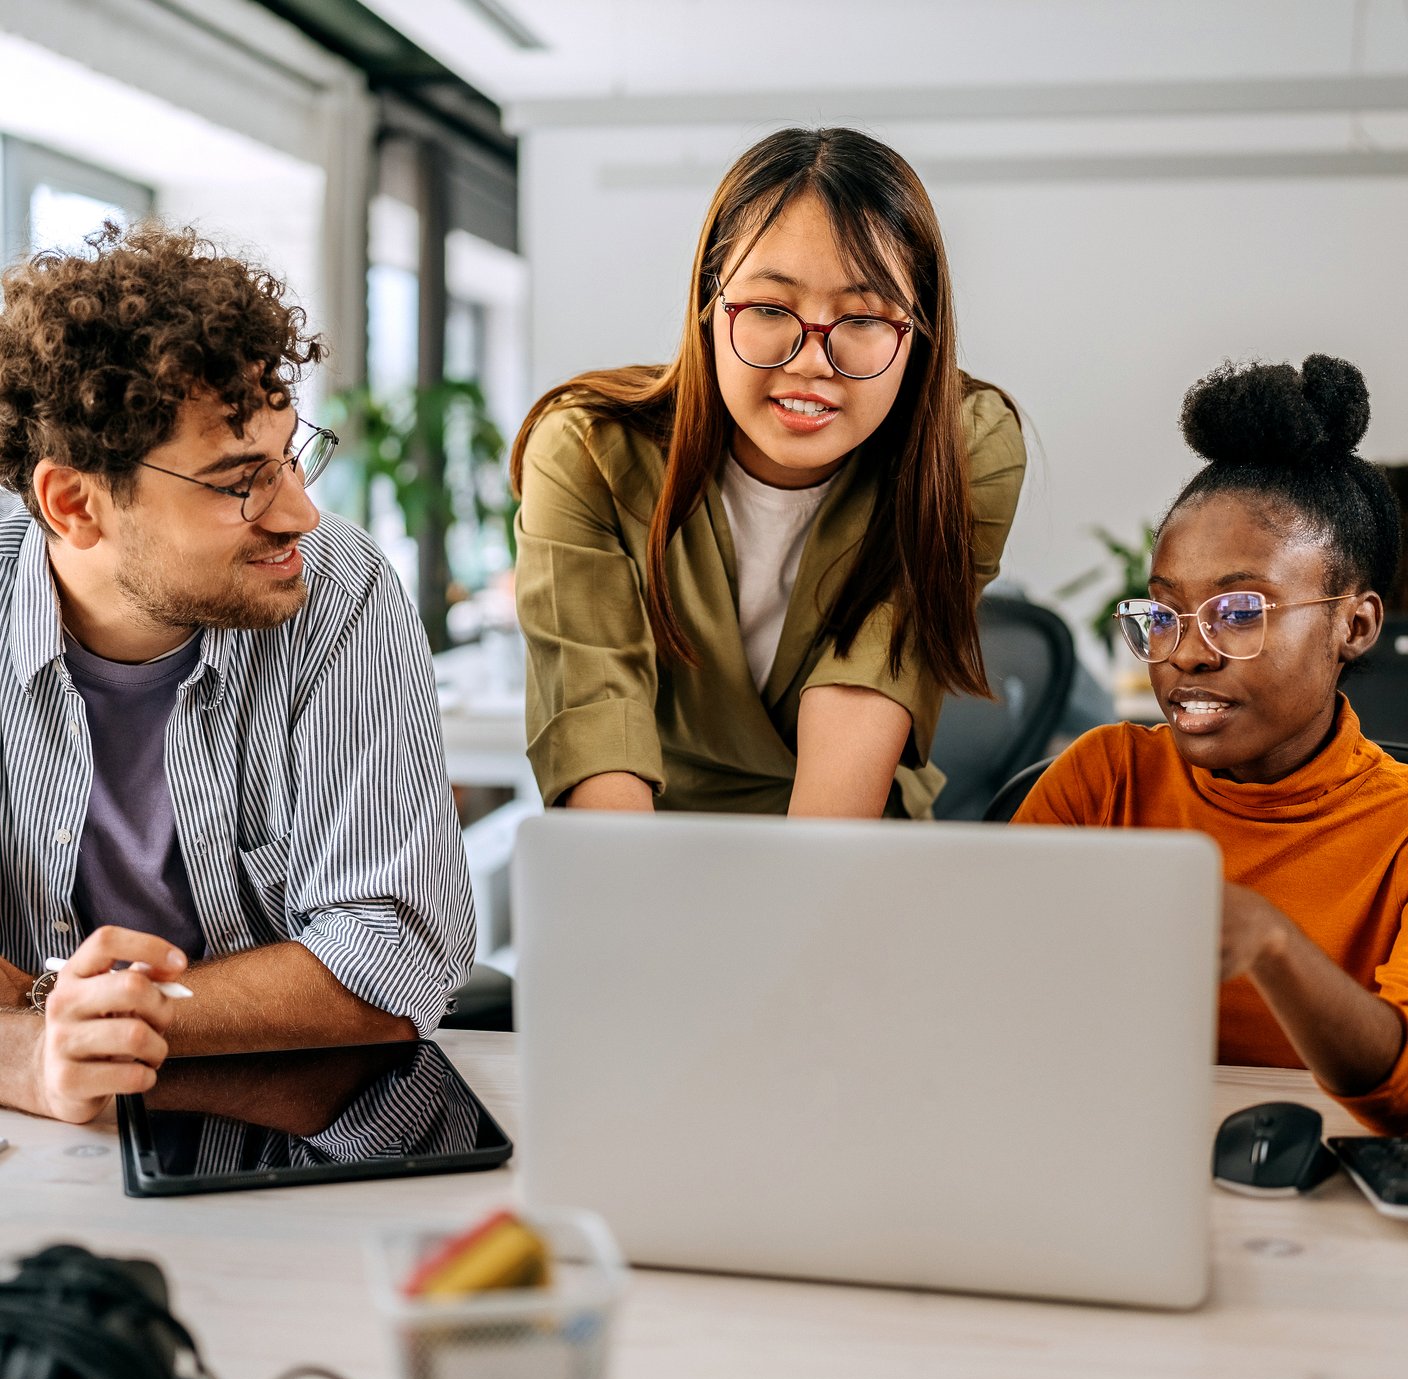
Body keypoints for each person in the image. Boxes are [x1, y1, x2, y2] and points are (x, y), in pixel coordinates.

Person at [0, 223, 475, 1125]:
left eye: (293, 455)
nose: (300, 511)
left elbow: (398, 952)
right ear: (75, 504)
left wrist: (66, 1014)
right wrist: (31, 1058)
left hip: (296, 1130)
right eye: (238, 481)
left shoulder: (343, 591)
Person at [512, 127, 1026, 819]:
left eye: (865, 317)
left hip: (849, 848)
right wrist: (633, 911)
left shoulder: (964, 447)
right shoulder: (586, 448)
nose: (811, 359)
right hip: (656, 846)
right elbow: (595, 722)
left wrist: (786, 919)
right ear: (708, 304)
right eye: (768, 308)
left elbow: (864, 693)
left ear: (919, 331)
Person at [1015, 354, 1408, 1133]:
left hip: (1325, 1182)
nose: (1184, 653)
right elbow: (986, 991)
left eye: (1239, 611)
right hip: (1105, 1142)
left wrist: (1271, 944)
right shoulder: (1105, 780)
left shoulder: (1397, 831)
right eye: (1162, 614)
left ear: (1354, 625)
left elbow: (1401, 1095)